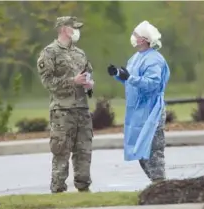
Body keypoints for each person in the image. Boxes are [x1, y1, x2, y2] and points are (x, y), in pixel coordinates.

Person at [107, 20, 170, 183]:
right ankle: (156, 184)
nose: (133, 37)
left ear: (143, 39)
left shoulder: (154, 59)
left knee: (153, 149)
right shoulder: (135, 58)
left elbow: (153, 84)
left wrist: (130, 77)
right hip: (137, 110)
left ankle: (160, 185)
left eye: (135, 34)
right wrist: (119, 74)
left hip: (151, 110)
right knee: (140, 150)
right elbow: (131, 81)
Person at [37, 16, 94, 193]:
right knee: (61, 150)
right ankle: (58, 190)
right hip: (62, 110)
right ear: (63, 28)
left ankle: (84, 188)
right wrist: (72, 81)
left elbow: (89, 75)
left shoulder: (80, 53)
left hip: (82, 109)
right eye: (73, 27)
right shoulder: (49, 52)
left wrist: (89, 85)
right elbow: (47, 82)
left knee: (84, 150)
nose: (76, 31)